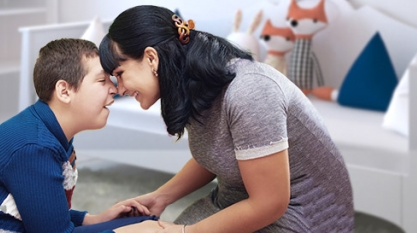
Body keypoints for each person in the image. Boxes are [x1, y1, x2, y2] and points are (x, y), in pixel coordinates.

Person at [99, 5, 354, 232]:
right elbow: (220, 151)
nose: (119, 89)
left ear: (151, 57)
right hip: (236, 199)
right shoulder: (193, 83)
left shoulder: (250, 90)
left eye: (120, 73)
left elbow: (270, 204)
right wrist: (161, 197)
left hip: (301, 215)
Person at [0, 38, 162, 233]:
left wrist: (94, 220)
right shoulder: (34, 146)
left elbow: (44, 214)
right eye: (101, 81)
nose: (114, 89)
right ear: (64, 91)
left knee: (144, 224)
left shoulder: (50, 134)